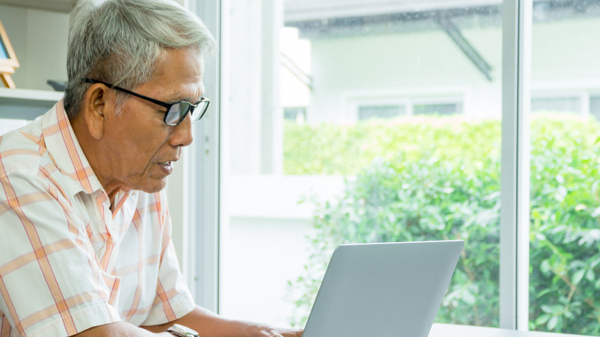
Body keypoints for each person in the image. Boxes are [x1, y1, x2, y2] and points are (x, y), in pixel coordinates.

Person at [0, 0, 303, 336]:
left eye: (193, 107)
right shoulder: (19, 177)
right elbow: (94, 334)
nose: (186, 136)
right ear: (100, 105)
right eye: (173, 109)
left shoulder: (137, 174)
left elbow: (167, 315)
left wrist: (265, 333)